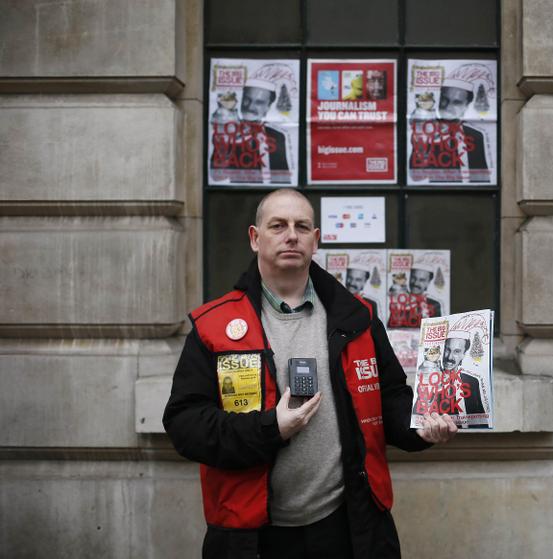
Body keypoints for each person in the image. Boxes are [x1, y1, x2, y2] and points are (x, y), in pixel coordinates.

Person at [163, 189, 457, 559]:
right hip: (252, 535)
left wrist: (423, 428)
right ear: (255, 238)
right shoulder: (214, 325)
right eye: (278, 226)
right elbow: (185, 425)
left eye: (302, 226)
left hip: (346, 527)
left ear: (315, 240)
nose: (291, 235)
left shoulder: (358, 318)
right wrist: (273, 428)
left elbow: (392, 399)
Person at [409, 64, 491, 183]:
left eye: (456, 102)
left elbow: (483, 179)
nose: (448, 107)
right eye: (445, 100)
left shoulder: (476, 136)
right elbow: (416, 176)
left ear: (466, 106)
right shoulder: (428, 132)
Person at [210, 63, 291, 184]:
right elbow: (217, 176)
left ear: (267, 107)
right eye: (247, 99)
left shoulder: (278, 136)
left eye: (259, 102)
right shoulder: (228, 132)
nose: (250, 107)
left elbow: (284, 179)